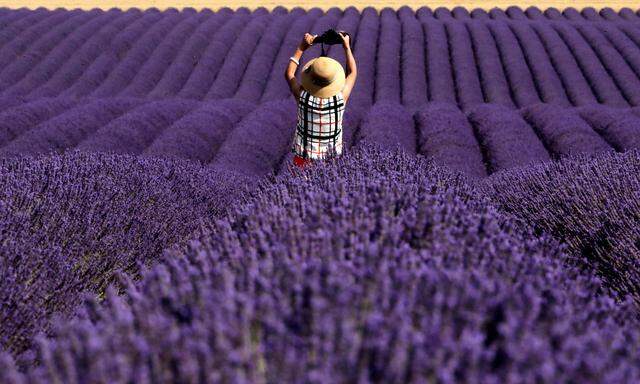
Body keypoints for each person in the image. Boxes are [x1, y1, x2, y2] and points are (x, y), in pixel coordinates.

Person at [284, 31, 357, 168]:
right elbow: (352, 73)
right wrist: (346, 47)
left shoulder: (303, 98)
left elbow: (289, 73)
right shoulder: (340, 100)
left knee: (299, 188)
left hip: (303, 161)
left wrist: (302, 47)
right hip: (331, 163)